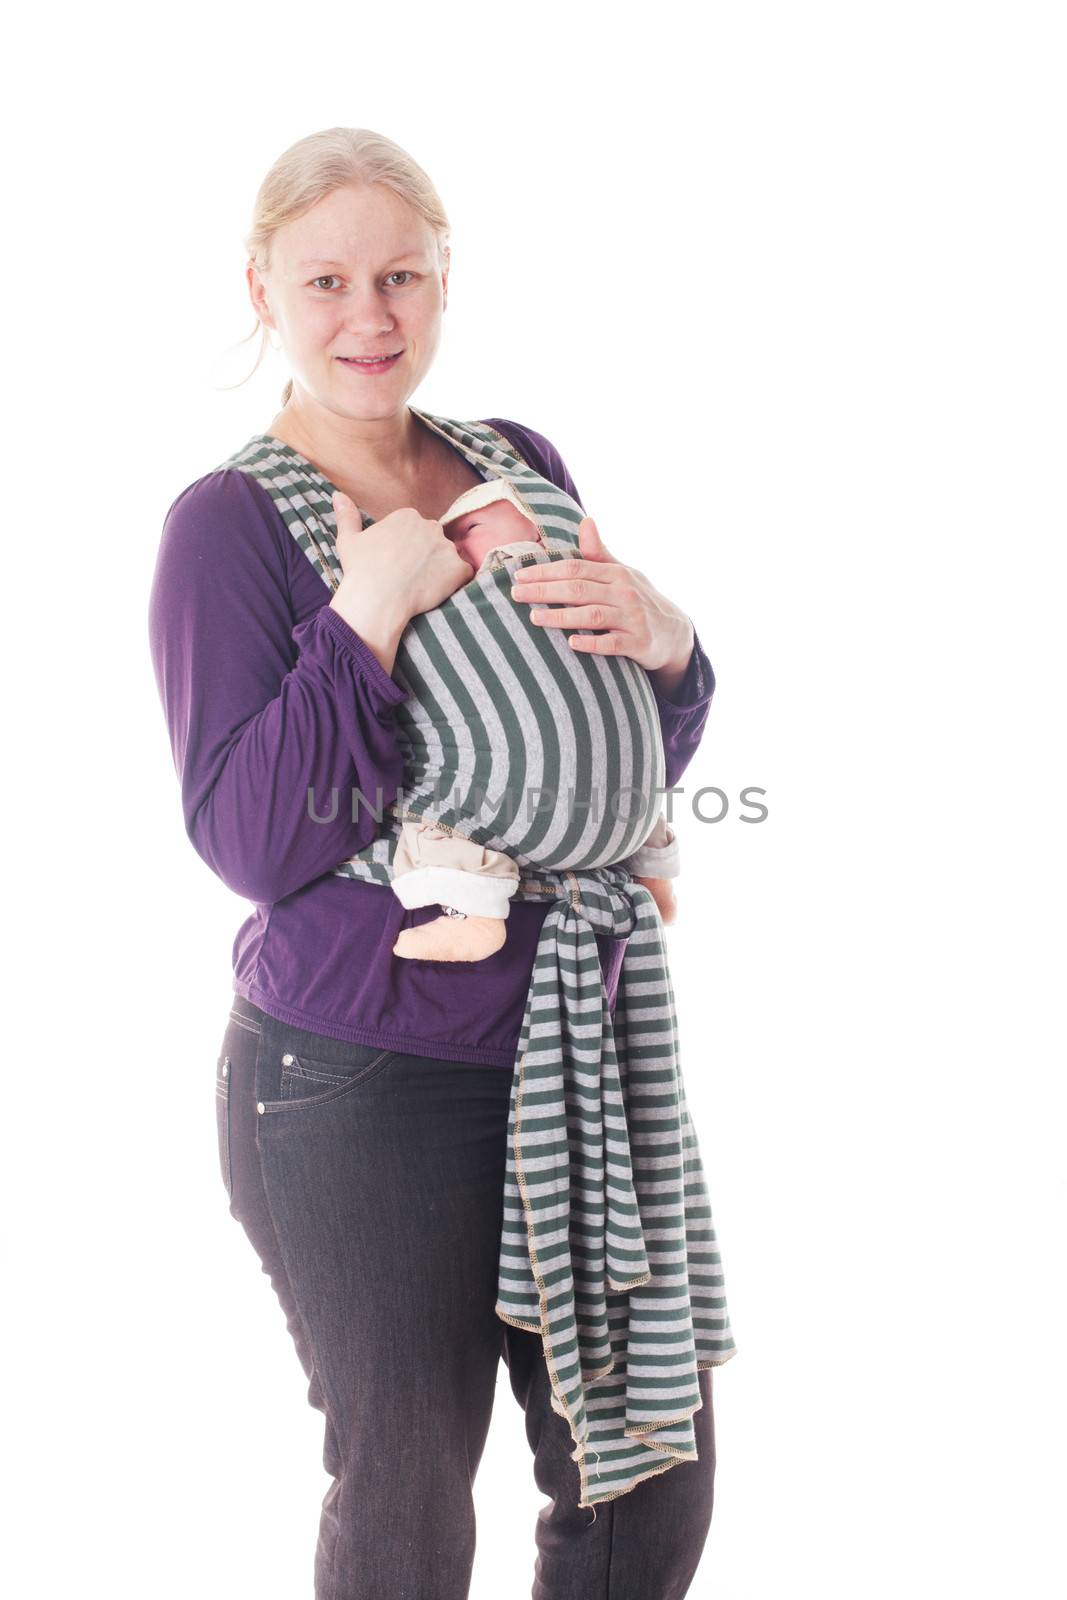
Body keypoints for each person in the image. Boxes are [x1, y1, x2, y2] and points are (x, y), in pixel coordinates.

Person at [148, 126, 733, 1600]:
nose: (370, 316)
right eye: (328, 278)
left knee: (647, 1480)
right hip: (356, 1074)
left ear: (443, 277)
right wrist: (363, 617)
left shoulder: (512, 466)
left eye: (401, 275)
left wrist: (668, 649)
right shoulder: (225, 528)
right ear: (260, 288)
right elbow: (250, 841)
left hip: (569, 1047)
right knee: (408, 1494)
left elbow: (580, 752)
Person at [386, 474, 683, 960]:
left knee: (437, 819)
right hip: (570, 813)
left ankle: (477, 907)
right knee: (640, 796)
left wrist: (676, 648)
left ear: (539, 528)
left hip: (610, 803)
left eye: (471, 528)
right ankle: (478, 915)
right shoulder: (464, 609)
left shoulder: (572, 581)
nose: (455, 544)